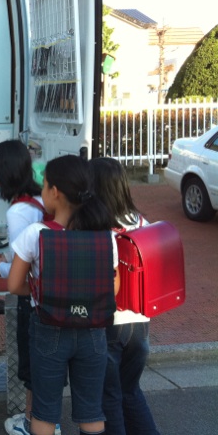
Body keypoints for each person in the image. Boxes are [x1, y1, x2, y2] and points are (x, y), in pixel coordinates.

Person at [8, 154, 119, 435]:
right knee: (91, 412)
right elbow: (113, 287)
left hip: (49, 327)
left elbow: (13, 284)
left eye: (44, 185)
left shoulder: (36, 233)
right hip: (93, 332)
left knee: (45, 412)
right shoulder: (106, 236)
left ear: (54, 192)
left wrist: (40, 294)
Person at [0, 140, 56, 435]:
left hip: (32, 297)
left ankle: (32, 423)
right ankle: (40, 420)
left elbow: (20, 269)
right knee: (42, 366)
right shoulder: (37, 199)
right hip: (49, 289)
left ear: (3, 171)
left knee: (30, 365)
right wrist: (7, 256)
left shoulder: (16, 213)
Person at [90, 157, 160, 435]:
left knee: (109, 397)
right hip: (140, 323)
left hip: (110, 324)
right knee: (130, 391)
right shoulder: (142, 221)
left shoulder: (97, 229)